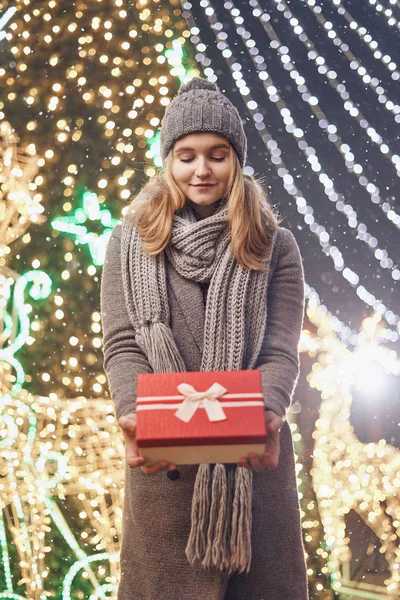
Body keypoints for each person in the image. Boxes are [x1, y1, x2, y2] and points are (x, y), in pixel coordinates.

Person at [100, 77, 308, 600]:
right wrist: (133, 411)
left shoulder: (273, 245)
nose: (201, 170)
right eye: (187, 155)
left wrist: (268, 412)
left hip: (250, 478)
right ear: (167, 161)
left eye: (217, 155)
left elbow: (279, 350)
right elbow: (124, 342)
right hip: (163, 471)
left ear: (236, 161)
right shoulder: (131, 243)